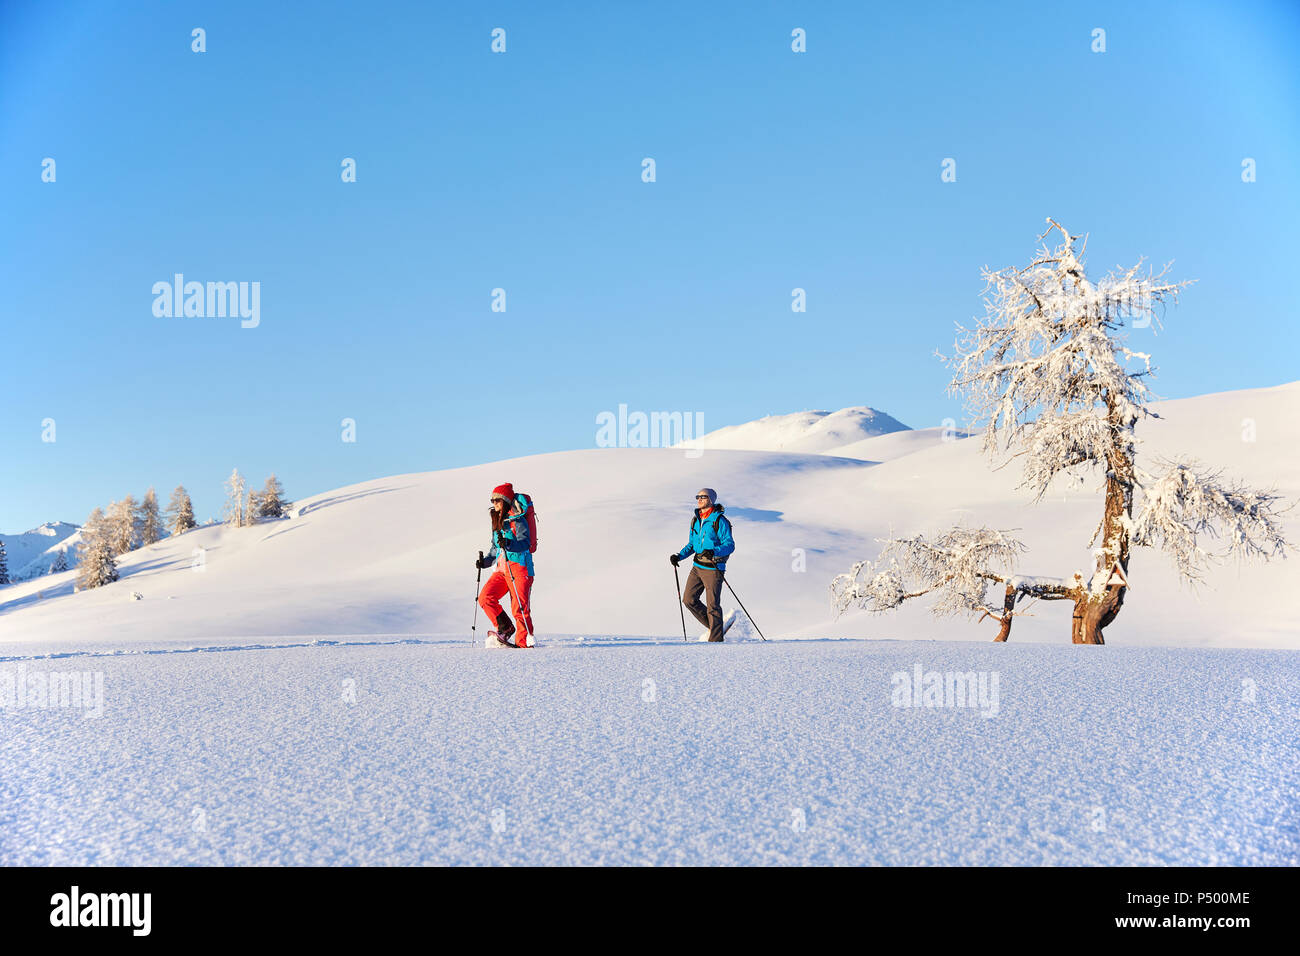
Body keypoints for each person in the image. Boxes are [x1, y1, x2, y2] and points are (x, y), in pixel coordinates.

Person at [670, 488, 735, 642]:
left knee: (712, 605)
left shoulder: (720, 520)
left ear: (711, 499)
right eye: (698, 496)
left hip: (713, 568)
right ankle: (716, 628)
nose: (699, 499)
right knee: (688, 599)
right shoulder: (696, 519)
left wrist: (714, 551)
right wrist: (679, 556)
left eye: (703, 497)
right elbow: (693, 544)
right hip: (697, 566)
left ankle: (716, 640)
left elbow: (730, 545)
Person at [476, 483, 535, 647]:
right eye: (492, 500)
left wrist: (508, 543)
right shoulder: (496, 521)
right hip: (503, 569)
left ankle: (524, 644)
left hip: (520, 567)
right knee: (485, 598)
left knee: (520, 610)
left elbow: (525, 543)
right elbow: (495, 549)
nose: (494, 503)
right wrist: (485, 562)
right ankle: (505, 627)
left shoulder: (518, 520)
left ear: (506, 501)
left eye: (497, 500)